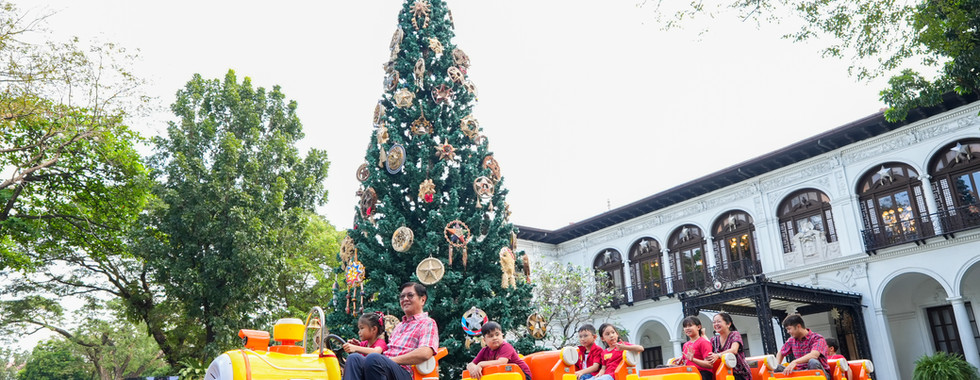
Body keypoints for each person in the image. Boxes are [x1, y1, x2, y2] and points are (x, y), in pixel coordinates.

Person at [343, 282, 439, 380]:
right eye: (402, 297)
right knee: (354, 358)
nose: (405, 299)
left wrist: (391, 360)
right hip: (385, 366)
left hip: (404, 371)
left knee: (374, 358)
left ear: (422, 300)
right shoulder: (399, 326)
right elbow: (384, 351)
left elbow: (425, 353)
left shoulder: (427, 323)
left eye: (410, 295)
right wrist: (361, 347)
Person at [466, 321, 532, 380]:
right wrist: (473, 368)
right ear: (484, 340)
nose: (495, 338)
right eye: (491, 336)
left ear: (502, 335)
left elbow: (502, 362)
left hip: (521, 374)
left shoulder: (506, 346)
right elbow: (471, 364)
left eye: (497, 334)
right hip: (504, 375)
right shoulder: (484, 351)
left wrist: (480, 364)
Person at [774, 314, 831, 380]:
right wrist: (776, 365)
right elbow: (781, 352)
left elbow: (814, 355)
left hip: (820, 373)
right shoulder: (791, 340)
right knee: (776, 367)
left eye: (789, 329)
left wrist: (795, 362)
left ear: (798, 326)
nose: (788, 332)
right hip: (801, 373)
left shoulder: (817, 338)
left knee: (813, 362)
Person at [706, 313, 750, 380]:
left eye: (719, 321)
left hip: (738, 373)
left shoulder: (735, 334)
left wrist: (718, 355)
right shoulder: (714, 339)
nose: (716, 324)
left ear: (728, 324)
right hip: (721, 372)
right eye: (714, 322)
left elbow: (734, 350)